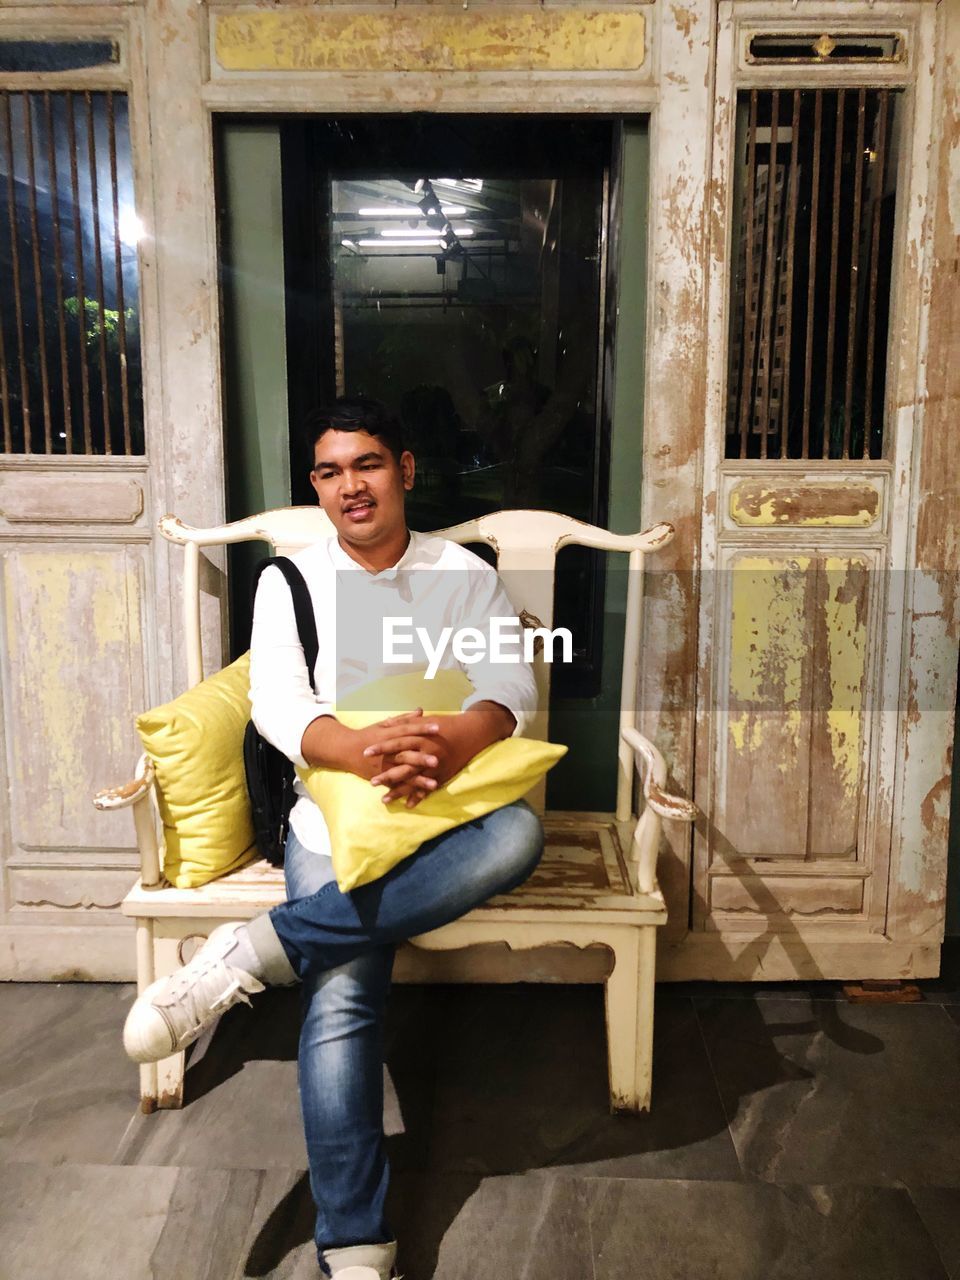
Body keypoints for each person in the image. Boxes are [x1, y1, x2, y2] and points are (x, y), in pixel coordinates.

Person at [122, 398, 545, 1280]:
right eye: (330, 471)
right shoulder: (291, 580)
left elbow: (510, 680)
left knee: (519, 841)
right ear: (316, 485)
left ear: (406, 471)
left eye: (368, 465)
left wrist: (446, 744)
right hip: (334, 809)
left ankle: (251, 954)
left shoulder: (461, 574)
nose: (351, 486)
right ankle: (354, 1240)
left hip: (451, 801)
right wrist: (360, 751)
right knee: (348, 990)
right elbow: (280, 704)